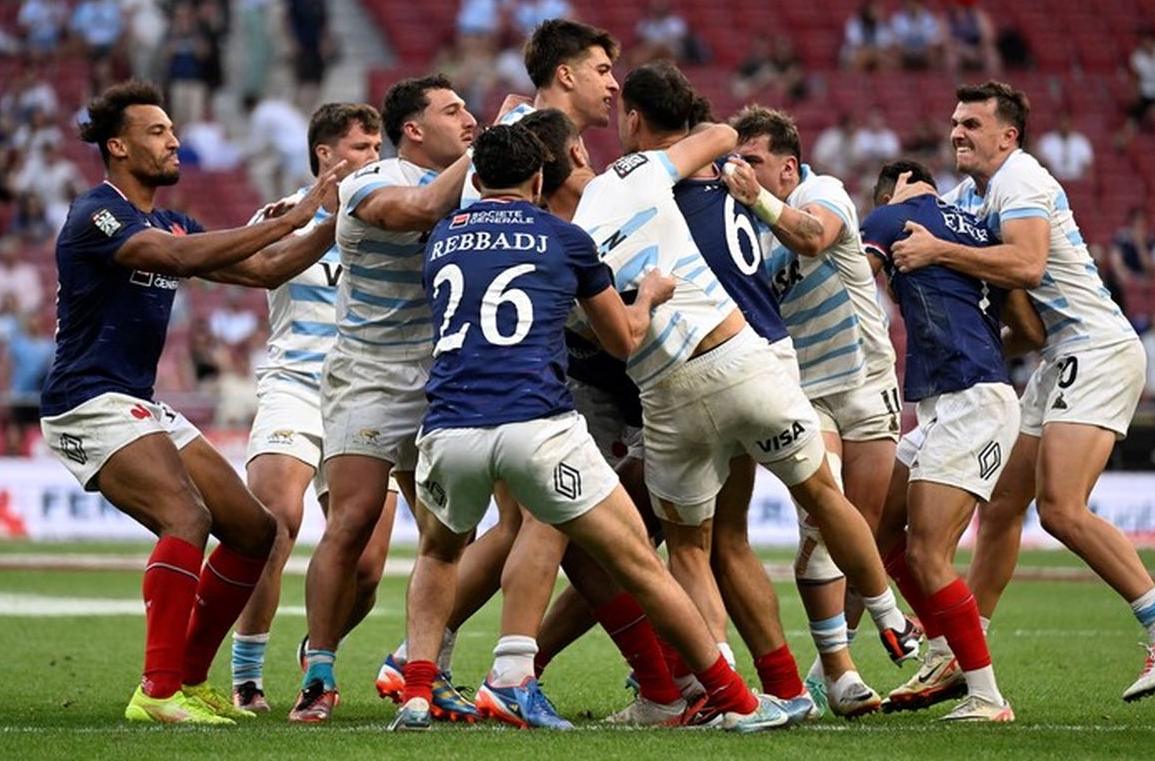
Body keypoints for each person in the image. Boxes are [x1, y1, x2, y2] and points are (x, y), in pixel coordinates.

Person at [389, 121, 785, 735]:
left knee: (440, 553)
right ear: (539, 178)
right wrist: (650, 293)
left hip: (449, 425)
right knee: (640, 565)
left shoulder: (440, 237)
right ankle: (735, 699)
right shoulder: (565, 239)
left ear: (476, 179)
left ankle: (417, 689)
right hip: (537, 424)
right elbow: (625, 340)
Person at [37, 80, 346, 725]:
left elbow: (264, 270)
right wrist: (292, 216)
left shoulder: (172, 218)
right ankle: (156, 692)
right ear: (118, 147)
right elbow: (173, 256)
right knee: (186, 516)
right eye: (157, 132)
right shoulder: (96, 212)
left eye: (174, 129)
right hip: (86, 400)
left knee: (256, 529)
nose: (174, 140)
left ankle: (191, 681)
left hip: (137, 403)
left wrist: (335, 222)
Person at [887, 80, 1154, 703]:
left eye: (973, 124)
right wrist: (906, 200)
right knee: (1002, 506)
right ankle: (963, 650)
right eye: (955, 121)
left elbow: (1029, 266)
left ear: (1008, 136)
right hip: (1058, 356)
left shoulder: (1021, 180)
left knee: (1060, 508)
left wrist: (936, 250)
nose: (958, 132)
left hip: (1097, 347)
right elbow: (927, 213)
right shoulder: (974, 193)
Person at [292, 74, 478, 724]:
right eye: (454, 111)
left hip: (441, 375)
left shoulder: (472, 182)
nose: (471, 120)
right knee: (355, 522)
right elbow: (417, 212)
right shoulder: (368, 180)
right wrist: (487, 156)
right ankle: (318, 670)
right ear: (415, 130)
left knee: (449, 534)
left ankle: (433, 671)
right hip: (369, 372)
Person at [725, 105, 915, 715]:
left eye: (752, 160)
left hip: (868, 378)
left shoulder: (821, 190)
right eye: (737, 161)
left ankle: (830, 661)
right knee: (826, 520)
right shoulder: (741, 226)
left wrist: (756, 199)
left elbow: (813, 236)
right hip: (805, 391)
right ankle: (841, 672)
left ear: (788, 165)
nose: (741, 171)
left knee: (862, 522)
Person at [864, 159, 1045, 722]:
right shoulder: (976, 230)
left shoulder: (891, 217)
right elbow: (1032, 331)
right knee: (880, 524)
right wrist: (981, 346)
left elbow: (851, 282)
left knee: (926, 552)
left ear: (892, 188)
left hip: (971, 404)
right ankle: (943, 649)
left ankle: (987, 696)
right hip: (957, 399)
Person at [228, 103, 386, 713]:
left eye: (378, 147)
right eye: (363, 146)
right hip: (295, 384)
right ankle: (247, 674)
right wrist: (319, 219)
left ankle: (317, 645)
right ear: (325, 154)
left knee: (369, 567)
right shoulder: (278, 218)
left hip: (367, 391)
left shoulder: (390, 213)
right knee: (273, 521)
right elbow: (254, 270)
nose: (375, 157)